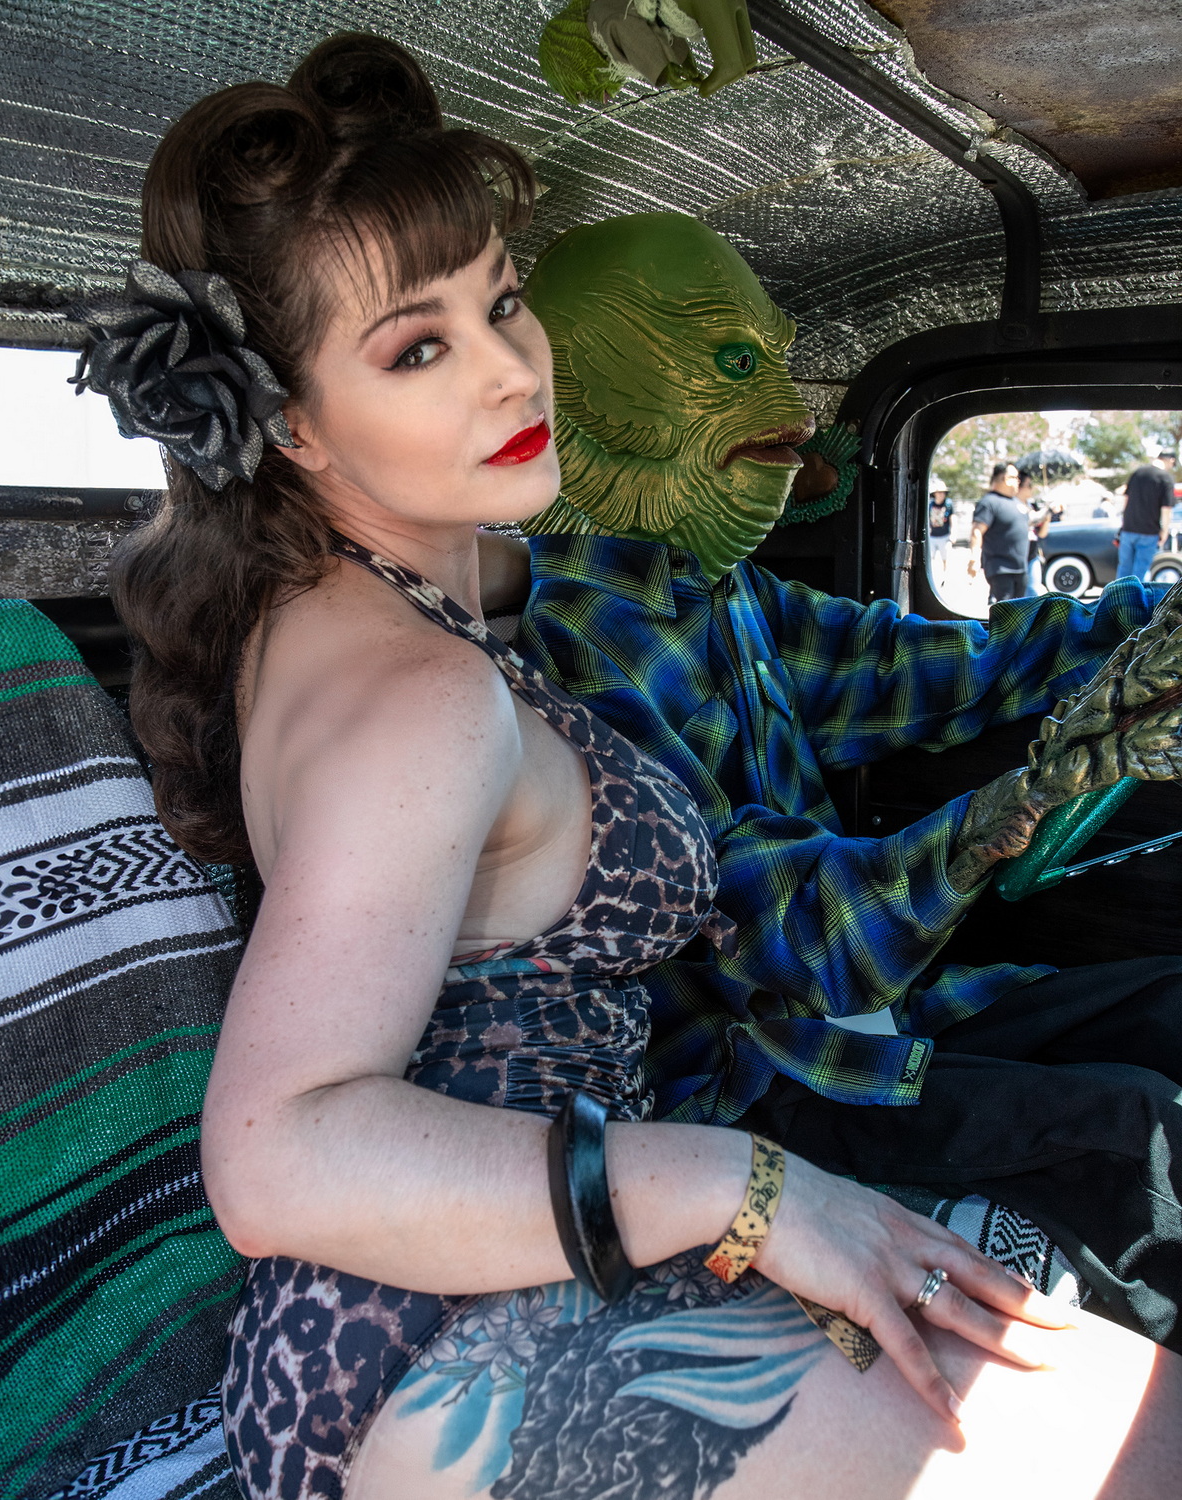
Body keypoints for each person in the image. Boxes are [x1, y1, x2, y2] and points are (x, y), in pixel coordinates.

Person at [72, 33, 1181, 1500]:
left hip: (520, 1246)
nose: (510, 369)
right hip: (429, 1332)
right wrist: (753, 1187)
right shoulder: (418, 691)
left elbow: (925, 676)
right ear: (291, 425)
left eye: (499, 301)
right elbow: (276, 1157)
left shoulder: (419, 599)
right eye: (417, 348)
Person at [513, 212, 1182, 1353]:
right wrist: (1002, 815)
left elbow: (941, 668)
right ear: (595, 393)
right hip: (758, 1085)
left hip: (870, 1015)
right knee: (1144, 1142)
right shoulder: (560, 650)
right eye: (737, 364)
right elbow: (771, 931)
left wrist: (1147, 623)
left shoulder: (728, 595)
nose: (792, 406)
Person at [968, 462, 1030, 601]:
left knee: (1021, 609)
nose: (1018, 481)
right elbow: (977, 531)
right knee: (1006, 610)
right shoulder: (989, 502)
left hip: (1021, 568)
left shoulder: (1017, 502)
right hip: (1001, 569)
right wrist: (974, 558)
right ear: (1004, 479)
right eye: (1014, 477)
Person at [1120, 451, 1177, 581]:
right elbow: (1166, 509)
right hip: (1149, 532)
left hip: (1128, 529)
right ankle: (1138, 595)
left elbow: (1126, 500)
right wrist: (1164, 531)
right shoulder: (1165, 478)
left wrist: (1124, 523)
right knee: (1141, 571)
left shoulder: (1137, 473)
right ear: (1171, 460)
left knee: (1124, 569)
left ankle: (1118, 594)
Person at [1019, 470, 1051, 594]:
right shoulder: (1013, 505)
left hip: (1032, 554)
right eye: (1029, 485)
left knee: (1033, 591)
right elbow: (1029, 520)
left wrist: (1047, 517)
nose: (1031, 488)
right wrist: (1047, 510)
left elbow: (1042, 534)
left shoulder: (1032, 506)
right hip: (1017, 557)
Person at [927, 479, 953, 582]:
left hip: (944, 535)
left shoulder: (948, 504)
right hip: (932, 536)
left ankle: (945, 577)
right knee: (930, 557)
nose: (941, 494)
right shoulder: (930, 505)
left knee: (945, 557)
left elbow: (953, 518)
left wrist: (953, 534)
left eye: (943, 492)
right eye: (939, 492)